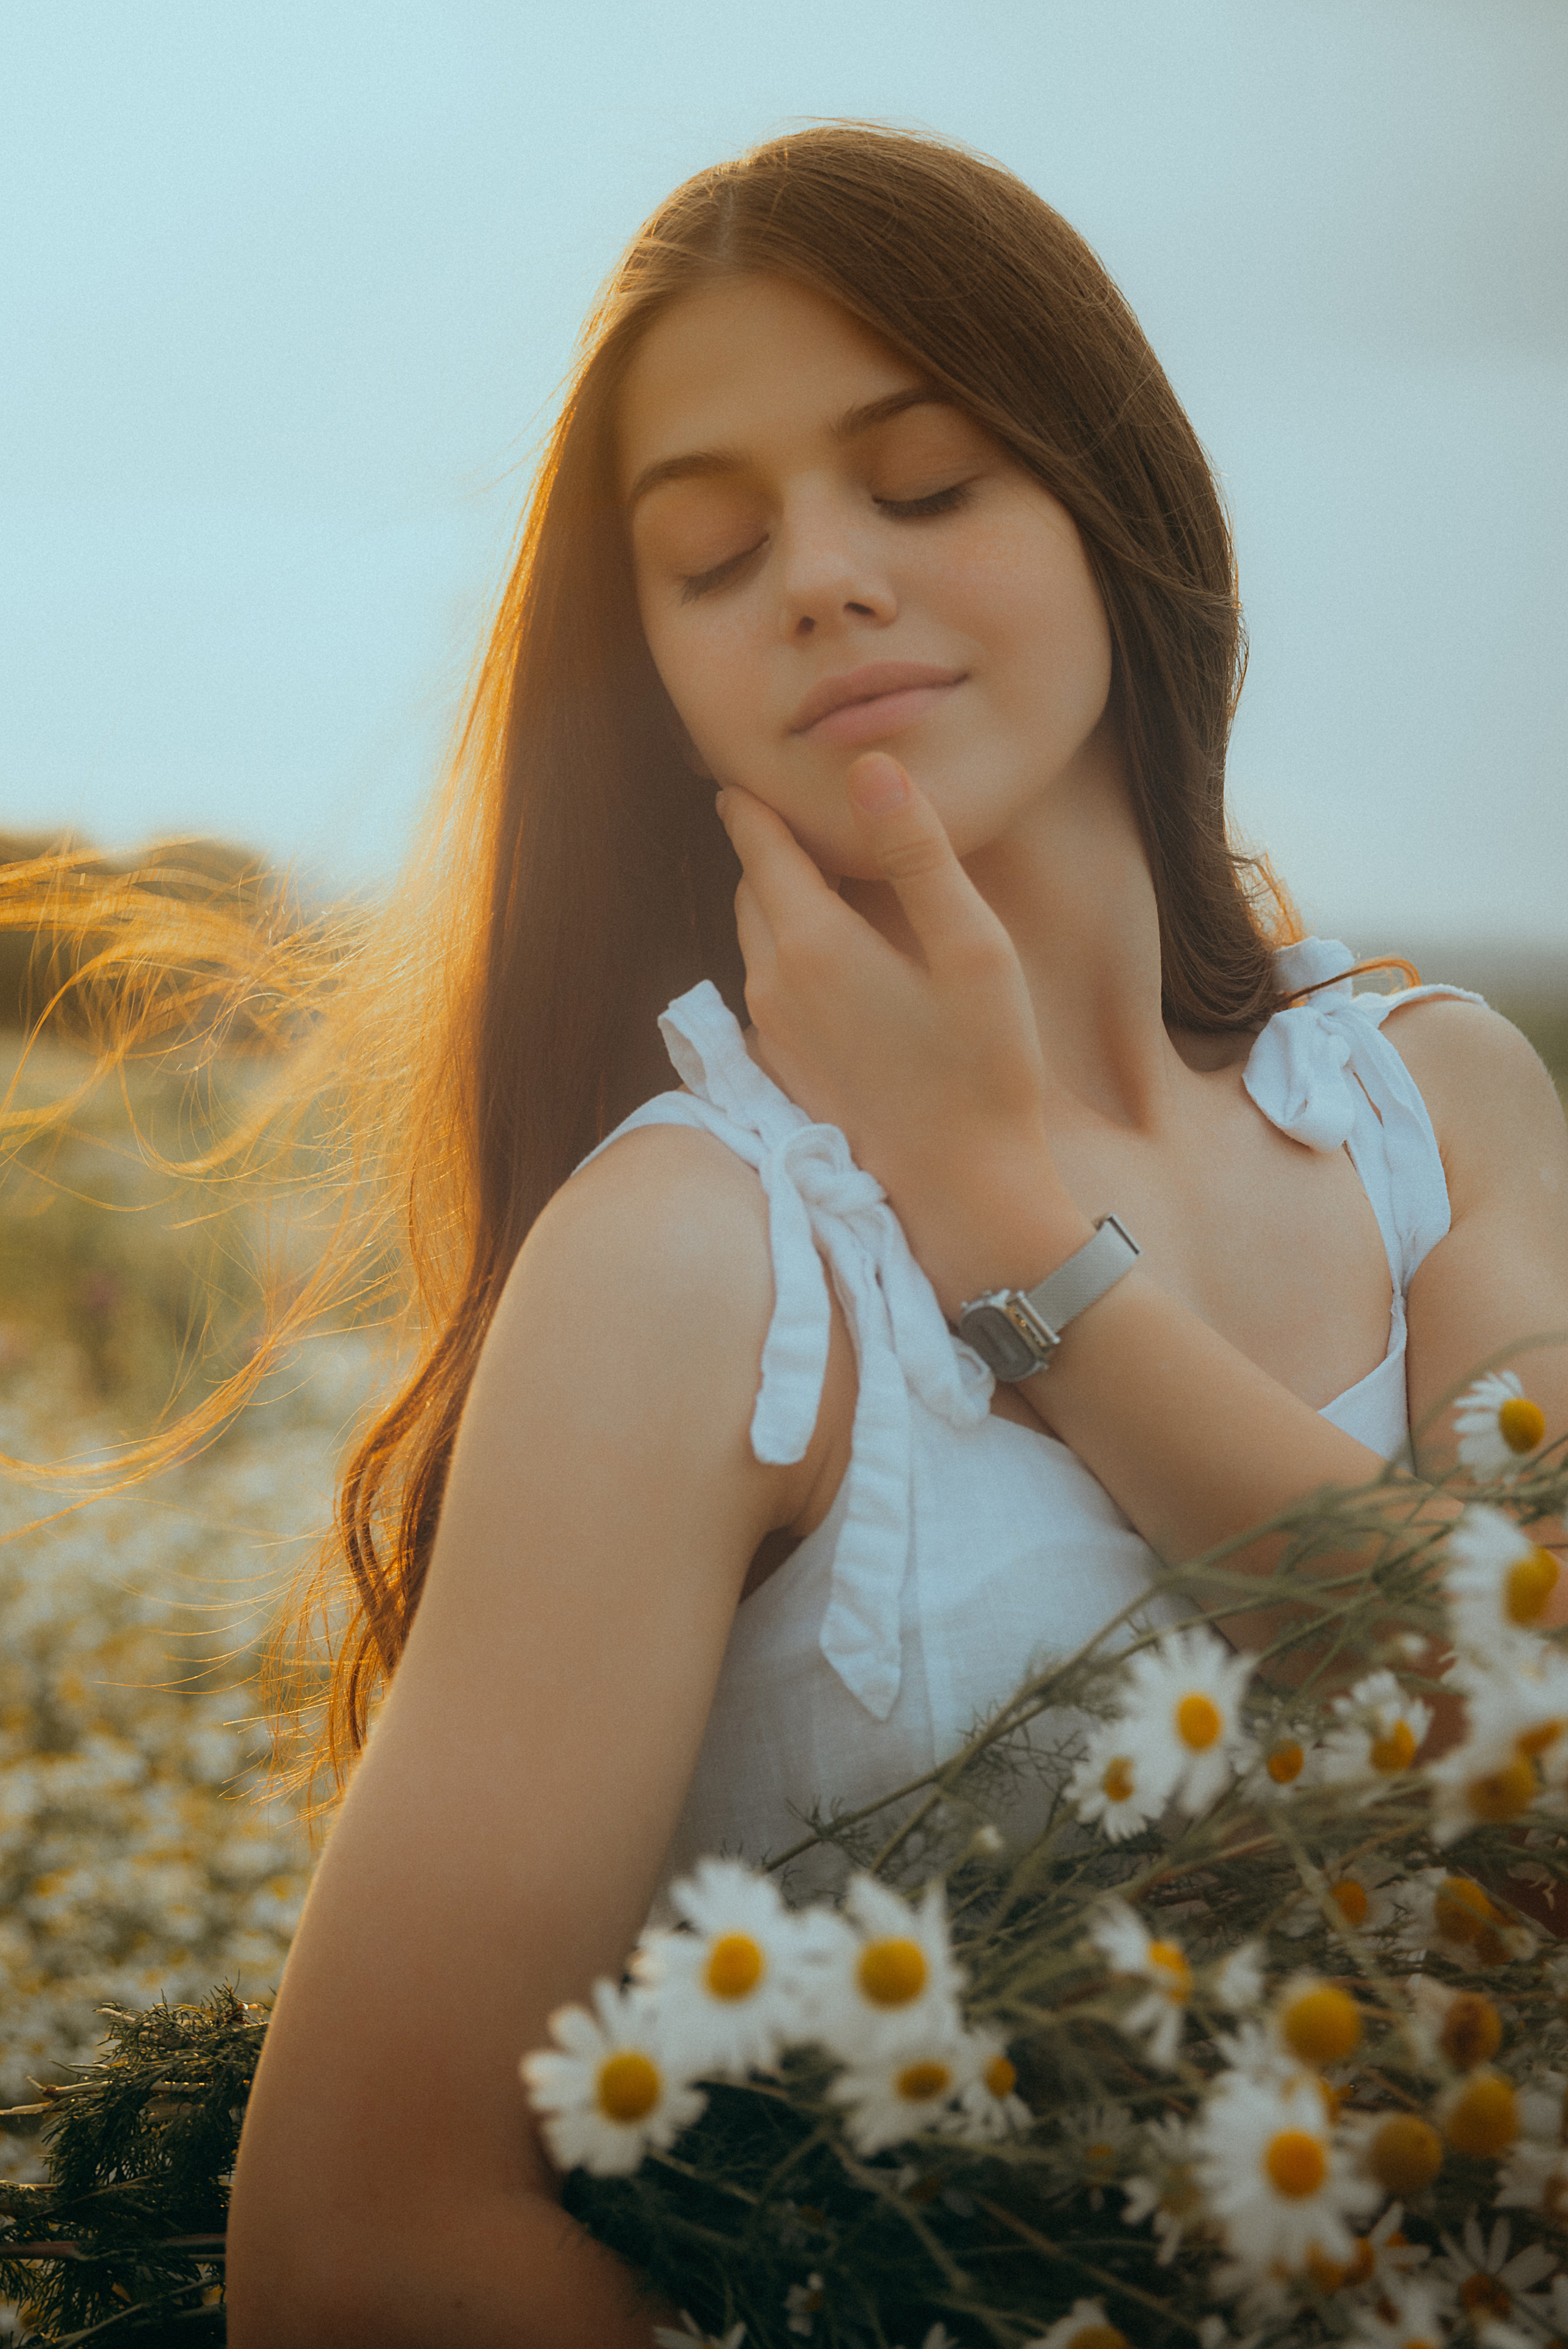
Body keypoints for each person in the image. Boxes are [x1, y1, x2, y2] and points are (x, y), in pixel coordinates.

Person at [223, 123, 1568, 2345]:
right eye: (713, 550)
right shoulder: (693, 1266)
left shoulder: (1434, 1108)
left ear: (1121, 508)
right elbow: (355, 2252)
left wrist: (1007, 1223)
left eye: (926, 483)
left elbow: (1519, 1718)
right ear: (649, 669)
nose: (826, 579)